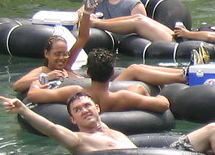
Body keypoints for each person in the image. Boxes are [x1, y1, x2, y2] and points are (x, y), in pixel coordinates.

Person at [0, 92, 215, 155]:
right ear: (73, 119)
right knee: (214, 130)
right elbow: (51, 128)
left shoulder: (108, 129)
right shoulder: (79, 140)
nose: (84, 111)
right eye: (77, 110)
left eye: (87, 106)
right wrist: (23, 110)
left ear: (97, 108)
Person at [26, 48, 171, 113]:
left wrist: (40, 81)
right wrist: (160, 95)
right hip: (122, 115)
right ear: (112, 73)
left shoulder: (76, 93)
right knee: (139, 89)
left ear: (88, 72)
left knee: (136, 89)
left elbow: (33, 95)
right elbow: (163, 104)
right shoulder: (124, 97)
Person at [11, 1, 93, 93]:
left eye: (64, 54)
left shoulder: (67, 65)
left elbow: (83, 37)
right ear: (47, 54)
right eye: (57, 54)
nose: (61, 58)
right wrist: (46, 77)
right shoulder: (43, 70)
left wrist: (87, 11)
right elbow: (17, 86)